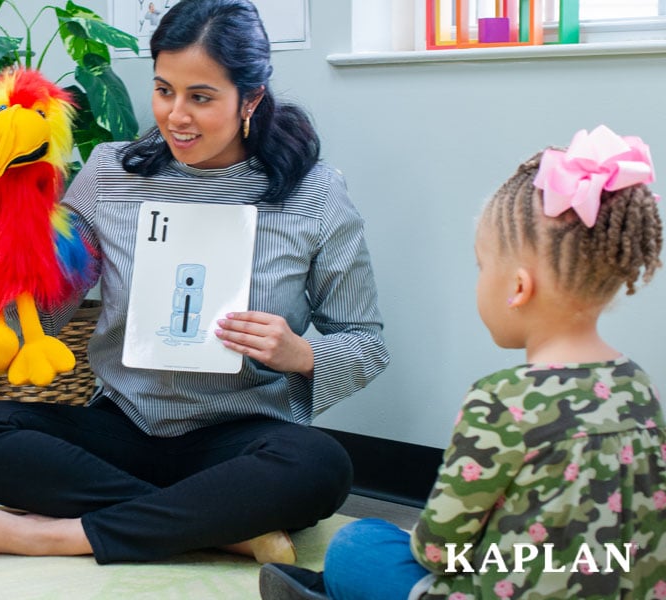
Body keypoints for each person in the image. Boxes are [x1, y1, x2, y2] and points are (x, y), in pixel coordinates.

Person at [0, 0, 389, 565]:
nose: (176, 116)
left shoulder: (315, 195)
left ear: (251, 99)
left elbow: (365, 341)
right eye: (164, 90)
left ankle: (55, 536)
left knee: (321, 467)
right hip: (122, 428)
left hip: (242, 435)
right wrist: (5, 231)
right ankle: (221, 527)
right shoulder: (110, 175)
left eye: (201, 97)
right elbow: (45, 315)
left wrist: (301, 354)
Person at [260, 125, 666, 600]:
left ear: (518, 288)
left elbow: (437, 550)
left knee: (360, 544)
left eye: (482, 267)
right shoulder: (639, 387)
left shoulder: (501, 400)